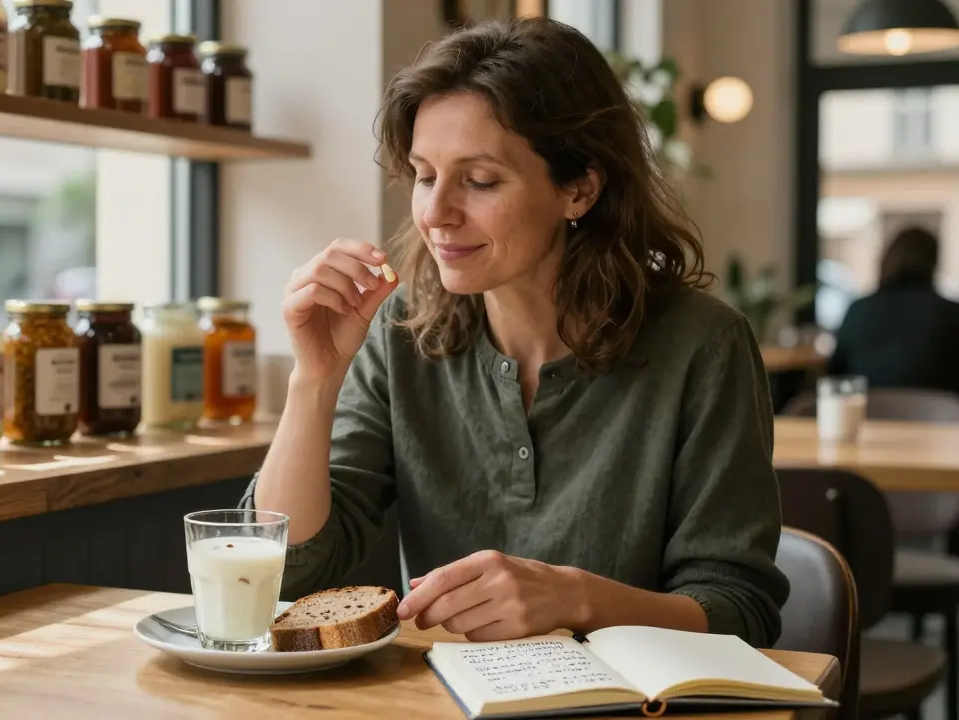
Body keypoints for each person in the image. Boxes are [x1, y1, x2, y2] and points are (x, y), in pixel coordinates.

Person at [241, 16, 788, 648]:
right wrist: (314, 378)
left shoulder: (703, 345)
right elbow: (288, 567)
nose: (437, 213)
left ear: (579, 188)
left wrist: (574, 599)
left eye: (479, 181)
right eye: (424, 175)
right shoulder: (399, 330)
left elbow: (739, 612)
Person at [828, 226, 959, 394]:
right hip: (940, 416)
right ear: (933, 263)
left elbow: (836, 375)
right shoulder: (951, 313)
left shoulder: (859, 310)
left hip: (865, 413)